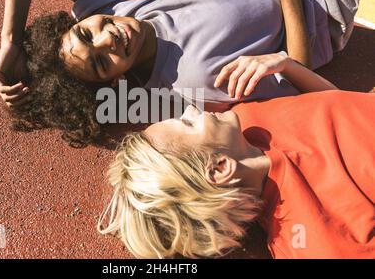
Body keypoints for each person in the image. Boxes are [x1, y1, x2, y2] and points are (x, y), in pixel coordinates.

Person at [0, 0, 374, 144]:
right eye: (100, 62)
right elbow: (300, 86)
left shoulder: (119, 15)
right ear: (116, 80)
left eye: (87, 34)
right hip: (318, 2)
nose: (107, 39)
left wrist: (9, 39)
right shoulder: (195, 81)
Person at [98, 80, 375, 258]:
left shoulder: (247, 120)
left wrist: (287, 66)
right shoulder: (313, 242)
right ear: (219, 168)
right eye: (188, 124)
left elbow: (339, 101)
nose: (191, 110)